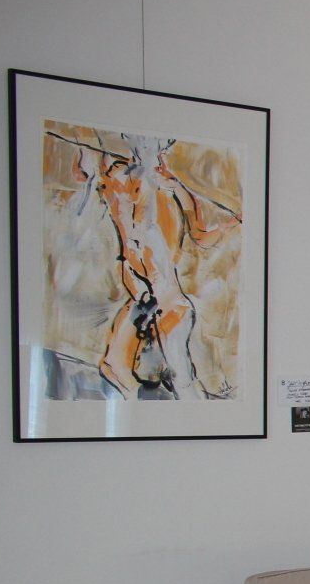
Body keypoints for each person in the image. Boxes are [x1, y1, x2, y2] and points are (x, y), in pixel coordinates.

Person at [61, 130, 241, 399]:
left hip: (157, 292)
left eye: (160, 145)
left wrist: (231, 222)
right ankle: (154, 403)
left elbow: (202, 235)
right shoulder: (118, 176)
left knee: (178, 376)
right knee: (122, 363)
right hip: (144, 289)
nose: (157, 151)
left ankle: (176, 400)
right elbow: (85, 173)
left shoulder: (163, 185)